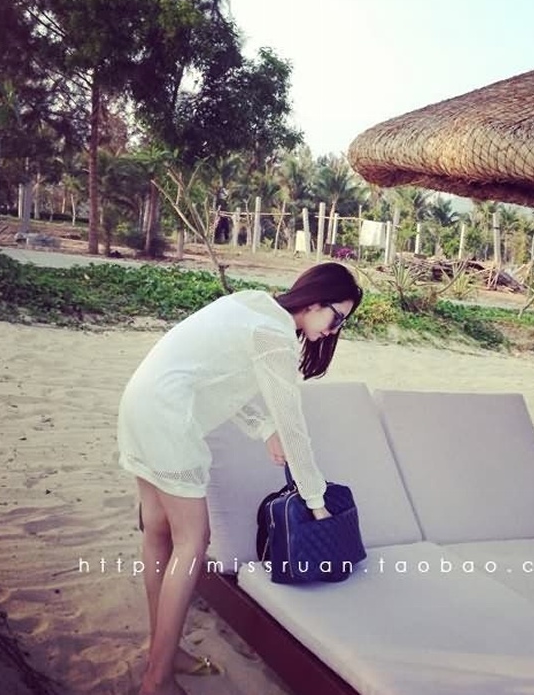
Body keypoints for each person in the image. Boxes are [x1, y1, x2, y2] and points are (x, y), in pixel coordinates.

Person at [117, 262, 363, 695]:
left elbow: (221, 381)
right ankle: (157, 679)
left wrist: (264, 429)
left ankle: (164, 653)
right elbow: (294, 425)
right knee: (193, 541)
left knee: (159, 532)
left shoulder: (252, 304)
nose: (334, 330)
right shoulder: (274, 334)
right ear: (314, 302)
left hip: (140, 403)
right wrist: (316, 500)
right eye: (337, 317)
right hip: (169, 419)